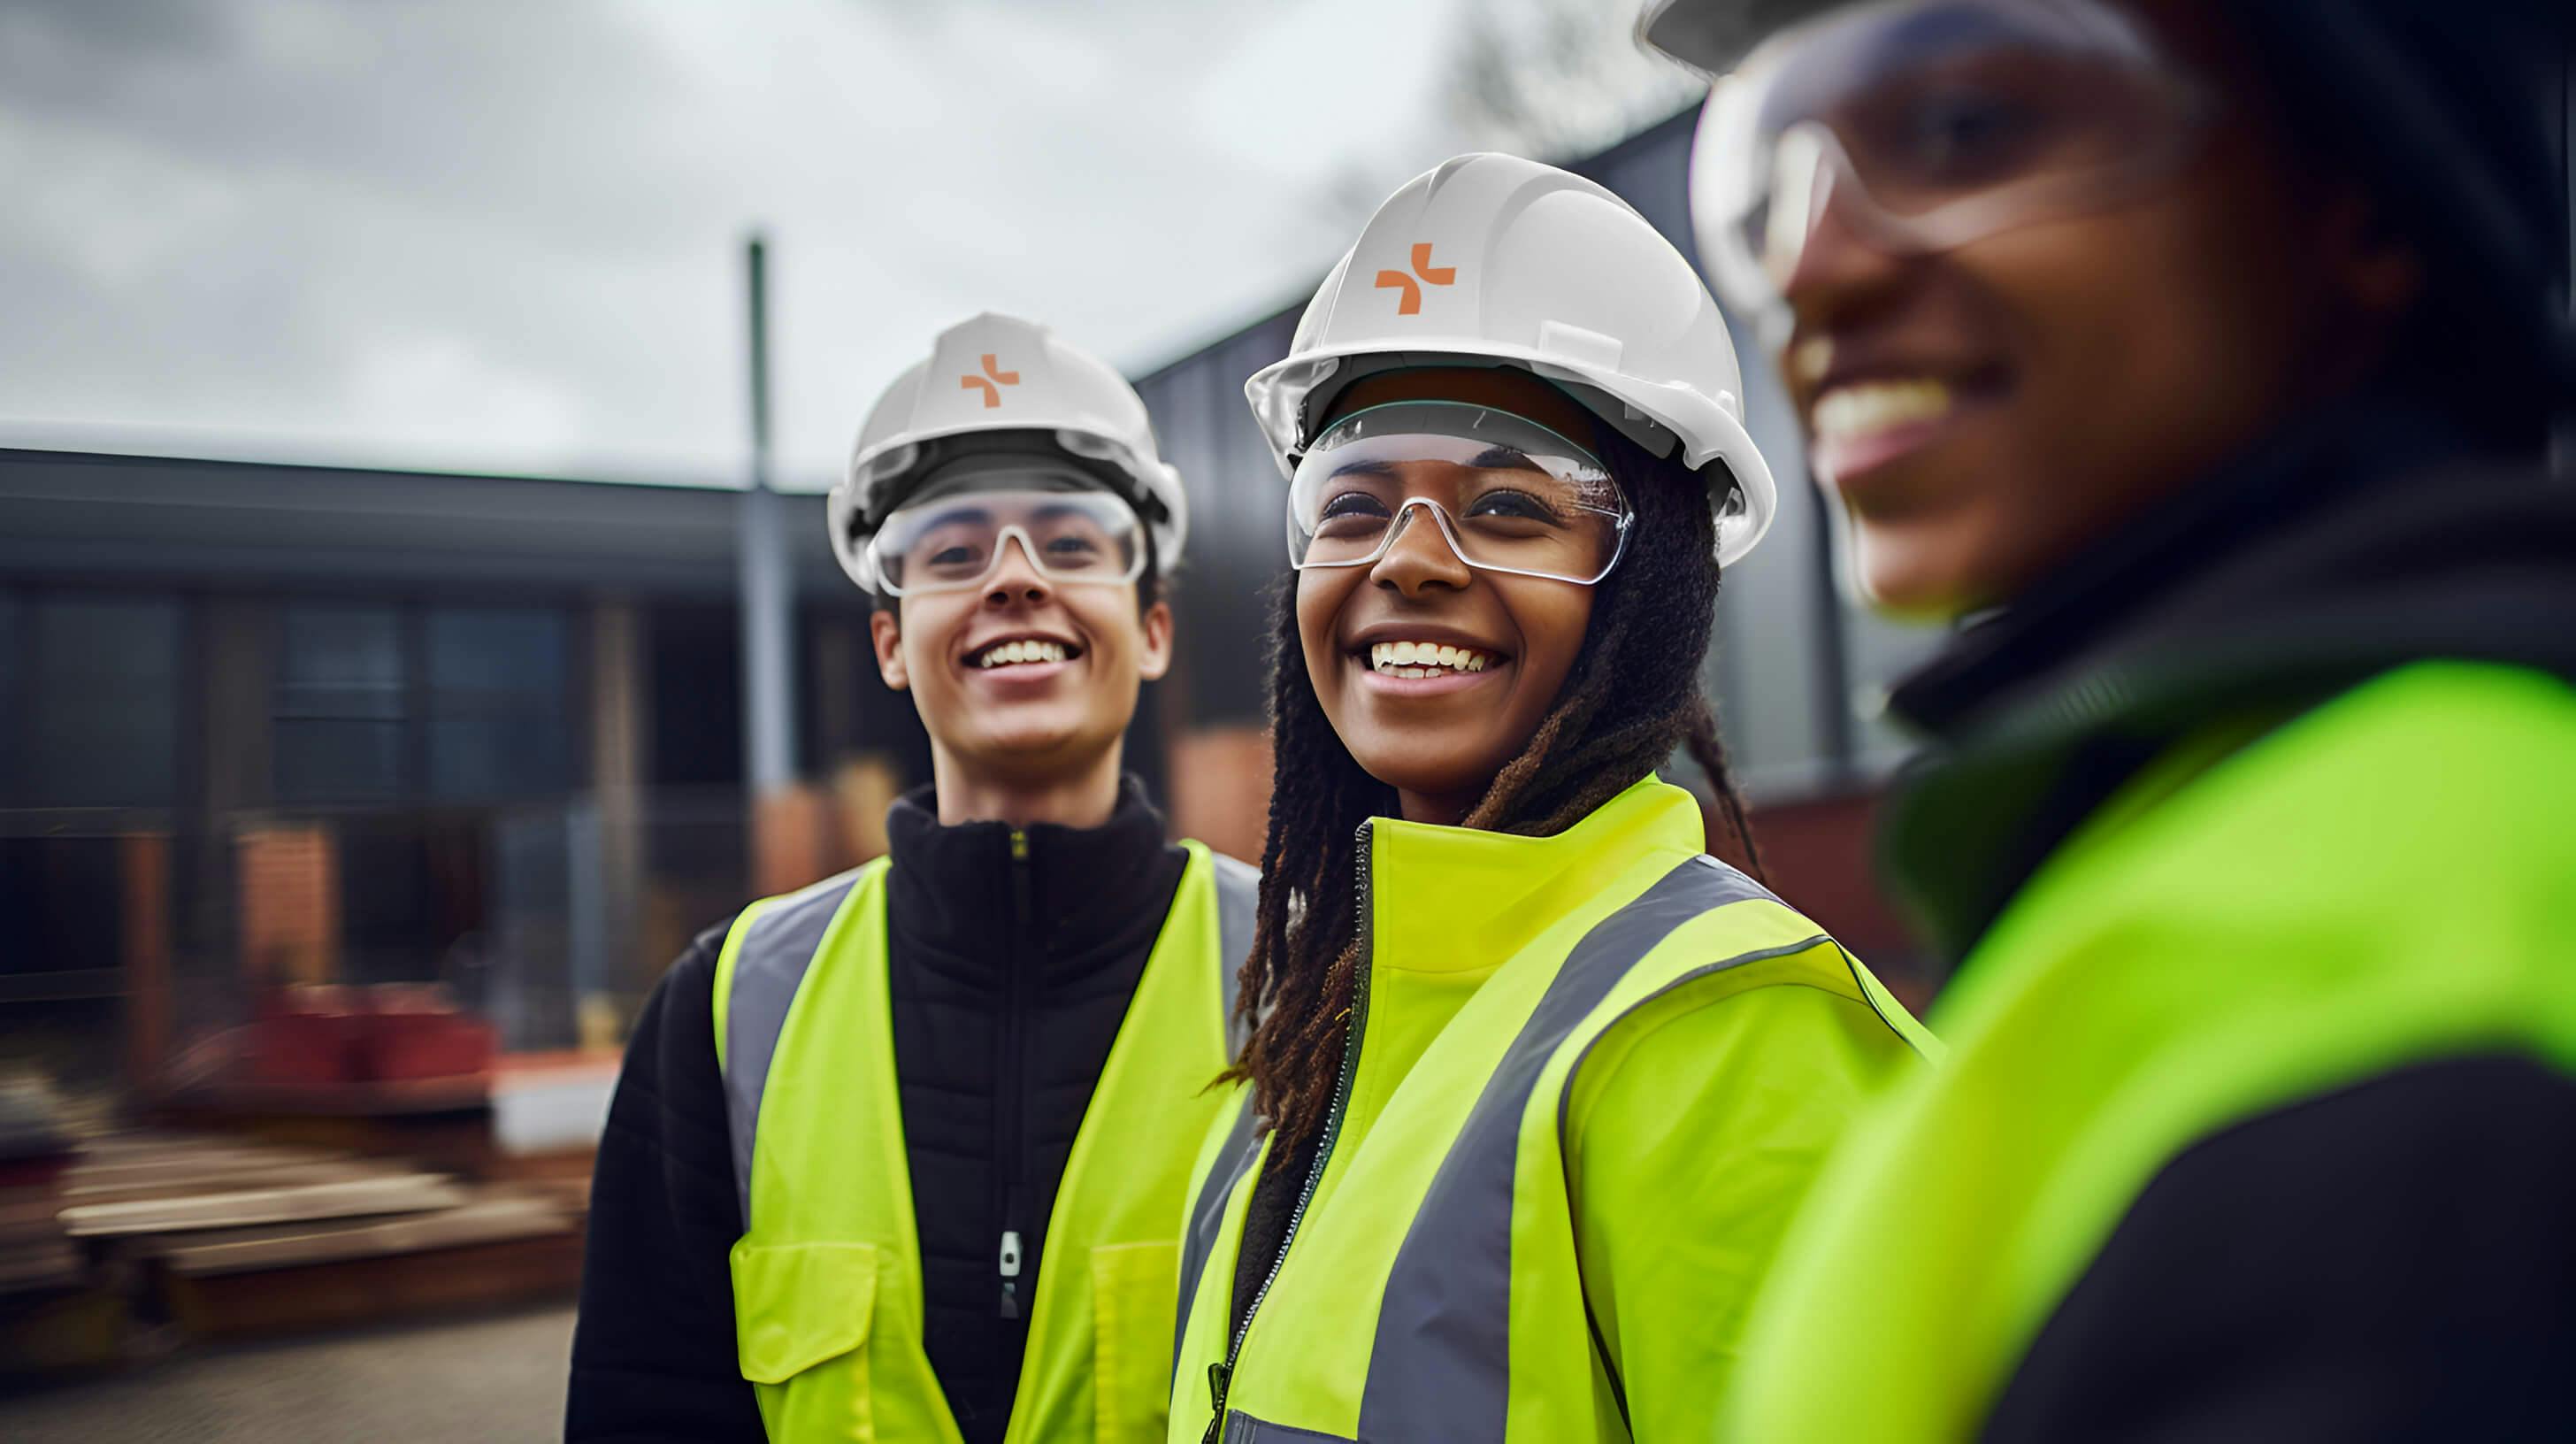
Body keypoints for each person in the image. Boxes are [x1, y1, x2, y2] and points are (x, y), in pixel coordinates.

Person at [1637, 0, 2576, 1436]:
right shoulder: (2195, 829)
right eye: (1760, 189)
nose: (1809, 269)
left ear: (2364, 194)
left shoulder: (2374, 949)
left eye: (1961, 126)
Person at [1162, 153, 1936, 1444]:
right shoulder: (1306, 1039)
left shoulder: (1724, 1031)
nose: (1406, 557)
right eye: (1350, 502)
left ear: (1646, 585)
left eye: (1509, 507)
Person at [568, 312, 1258, 1444]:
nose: (1016, 580)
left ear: (1154, 629)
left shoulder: (1304, 979)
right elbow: (642, 1405)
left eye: (1072, 543)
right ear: (891, 644)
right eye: (953, 551)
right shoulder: (727, 1011)